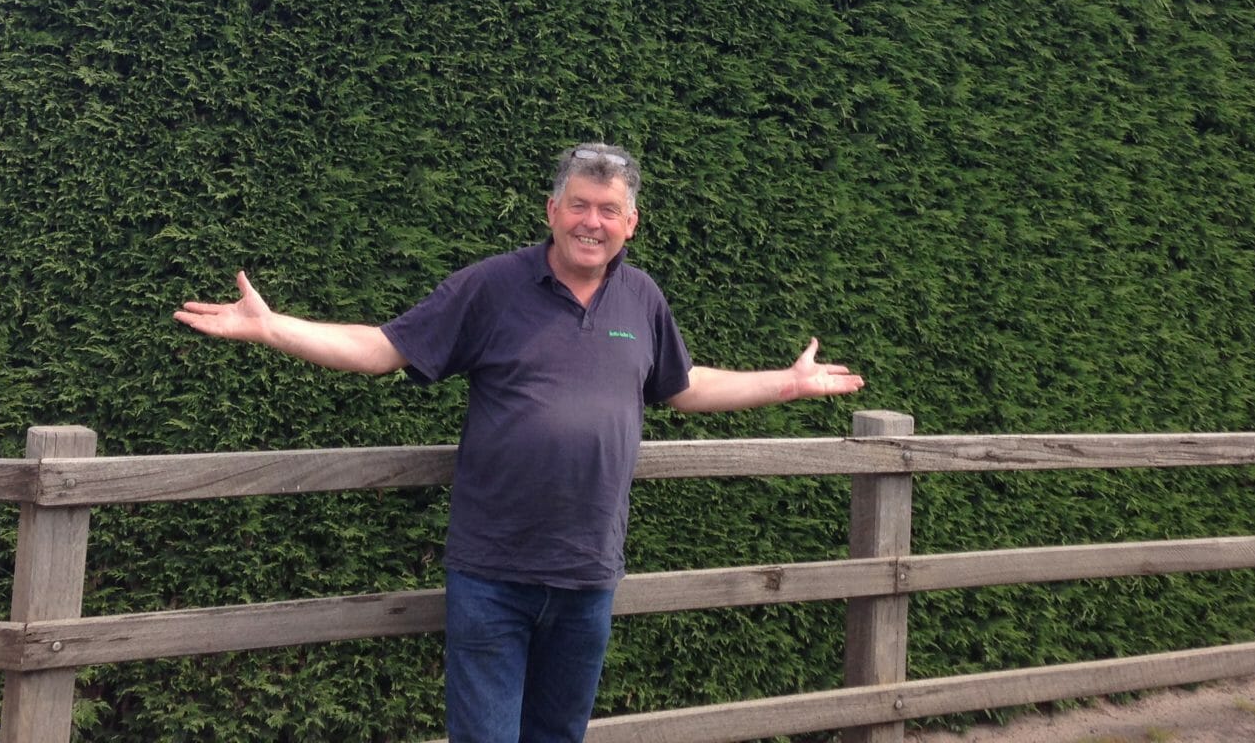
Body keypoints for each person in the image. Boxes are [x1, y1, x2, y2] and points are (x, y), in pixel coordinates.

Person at [174, 141, 864, 743]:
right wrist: (273, 327)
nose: (591, 222)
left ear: (631, 223)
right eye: (579, 205)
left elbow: (684, 386)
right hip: (492, 575)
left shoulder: (643, 299)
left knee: (558, 737)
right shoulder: (492, 286)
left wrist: (787, 383)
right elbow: (383, 348)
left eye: (608, 210)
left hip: (589, 574)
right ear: (552, 210)